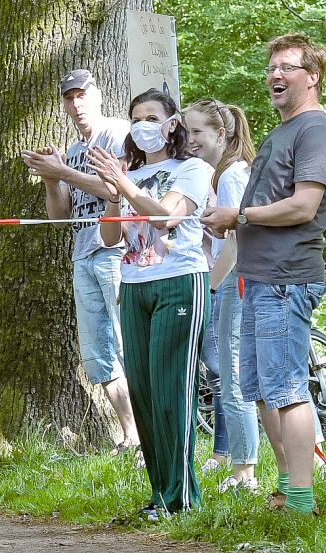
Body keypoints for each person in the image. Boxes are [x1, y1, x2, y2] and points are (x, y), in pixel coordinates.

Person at [202, 33, 326, 517]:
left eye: (287, 67)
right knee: (260, 391)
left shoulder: (315, 131)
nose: (275, 76)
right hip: (256, 278)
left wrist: (237, 217)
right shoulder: (281, 131)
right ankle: (285, 487)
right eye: (271, 69)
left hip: (287, 278)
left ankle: (302, 500)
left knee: (287, 391)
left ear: (313, 76)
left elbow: (304, 206)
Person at [90, 88, 214, 518]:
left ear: (170, 123)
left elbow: (166, 216)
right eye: (136, 118)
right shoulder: (130, 174)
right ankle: (160, 495)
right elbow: (109, 239)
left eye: (151, 117)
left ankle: (182, 498)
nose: (143, 125)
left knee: (171, 392)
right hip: (135, 283)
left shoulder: (193, 168)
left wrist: (123, 183)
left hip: (180, 281)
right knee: (142, 393)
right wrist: (112, 194)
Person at [20, 69, 140, 456]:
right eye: (69, 98)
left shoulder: (119, 134)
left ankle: (149, 435)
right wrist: (52, 180)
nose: (76, 104)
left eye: (82, 95)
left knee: (127, 344)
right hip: (82, 253)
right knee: (97, 353)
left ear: (98, 95)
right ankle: (131, 436)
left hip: (117, 252)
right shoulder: (72, 150)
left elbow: (116, 189)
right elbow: (60, 218)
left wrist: (64, 172)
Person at [184, 99, 260, 493]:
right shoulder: (225, 174)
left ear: (221, 134)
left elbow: (236, 244)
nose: (190, 139)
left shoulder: (231, 175)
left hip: (235, 281)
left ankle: (244, 469)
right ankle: (240, 463)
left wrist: (210, 287)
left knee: (232, 376)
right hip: (237, 280)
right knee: (230, 374)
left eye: (197, 132)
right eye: (188, 131)